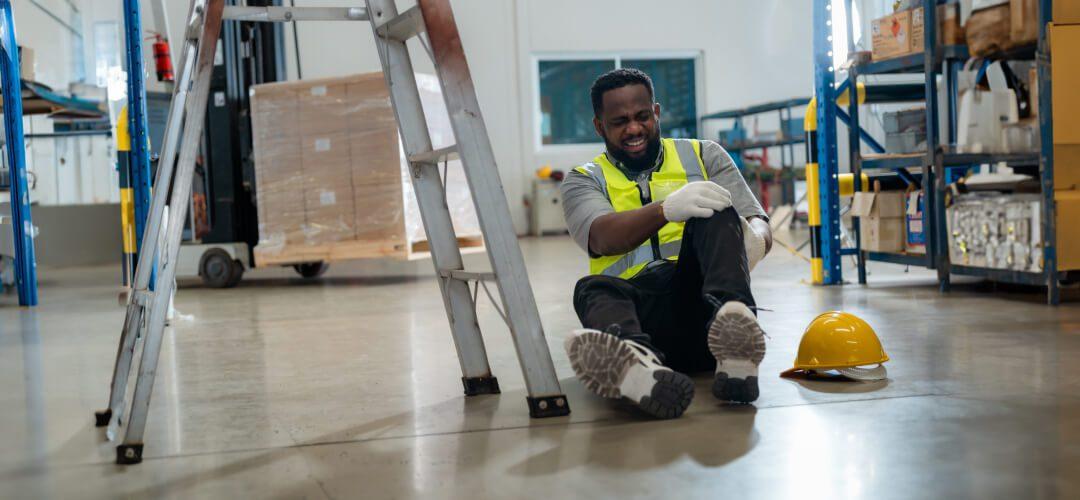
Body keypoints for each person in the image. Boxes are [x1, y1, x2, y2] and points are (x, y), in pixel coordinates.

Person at [560, 68, 772, 419]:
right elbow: (602, 236)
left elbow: (757, 220)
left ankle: (736, 351)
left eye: (642, 116)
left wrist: (755, 242)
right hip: (642, 318)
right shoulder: (584, 180)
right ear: (599, 126)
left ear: (656, 112)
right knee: (592, 288)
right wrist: (666, 209)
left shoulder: (705, 156)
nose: (633, 128)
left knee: (716, 207)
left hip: (705, 313)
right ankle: (637, 367)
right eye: (619, 121)